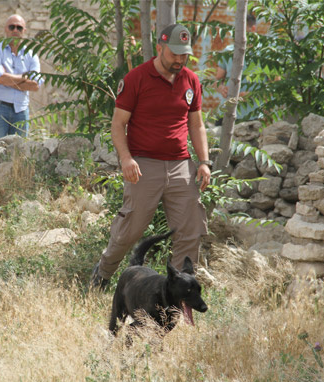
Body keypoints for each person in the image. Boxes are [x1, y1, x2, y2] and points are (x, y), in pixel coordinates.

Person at [90, 24, 212, 290]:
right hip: (143, 166)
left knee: (190, 232)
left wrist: (203, 162)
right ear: (159, 48)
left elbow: (196, 125)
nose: (180, 60)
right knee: (129, 232)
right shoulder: (136, 78)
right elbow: (118, 124)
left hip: (181, 165)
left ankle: (179, 291)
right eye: (174, 54)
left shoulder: (191, 80)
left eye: (185, 55)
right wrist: (126, 159)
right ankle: (103, 274)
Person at [0, 14, 42, 138]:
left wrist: (9, 79)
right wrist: (25, 79)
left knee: (19, 153)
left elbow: (35, 85)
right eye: (12, 27)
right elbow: (0, 79)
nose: (15, 30)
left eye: (19, 27)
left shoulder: (31, 54)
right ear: (6, 29)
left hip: (21, 111)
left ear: (24, 31)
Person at [214, 14, 260, 125]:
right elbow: (217, 80)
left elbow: (275, 84)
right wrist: (221, 88)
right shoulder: (228, 51)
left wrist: (252, 95)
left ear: (252, 29)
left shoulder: (265, 53)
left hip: (253, 117)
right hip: (226, 114)